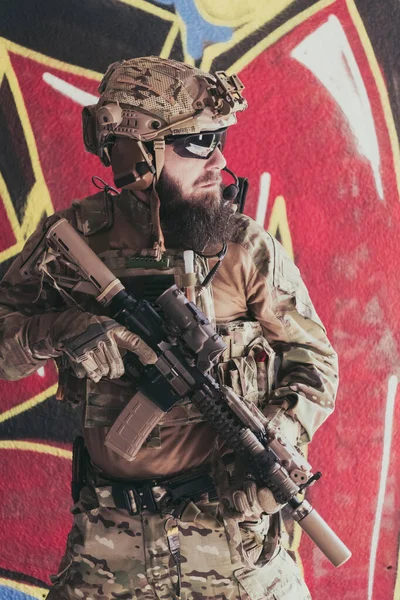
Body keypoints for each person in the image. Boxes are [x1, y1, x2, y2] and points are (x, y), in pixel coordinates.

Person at [0, 57, 338, 599]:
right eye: (198, 142)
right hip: (108, 551)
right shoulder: (71, 243)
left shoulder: (243, 247)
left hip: (235, 551)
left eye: (218, 138)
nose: (219, 159)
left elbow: (314, 357)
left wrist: (282, 433)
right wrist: (63, 329)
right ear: (138, 155)